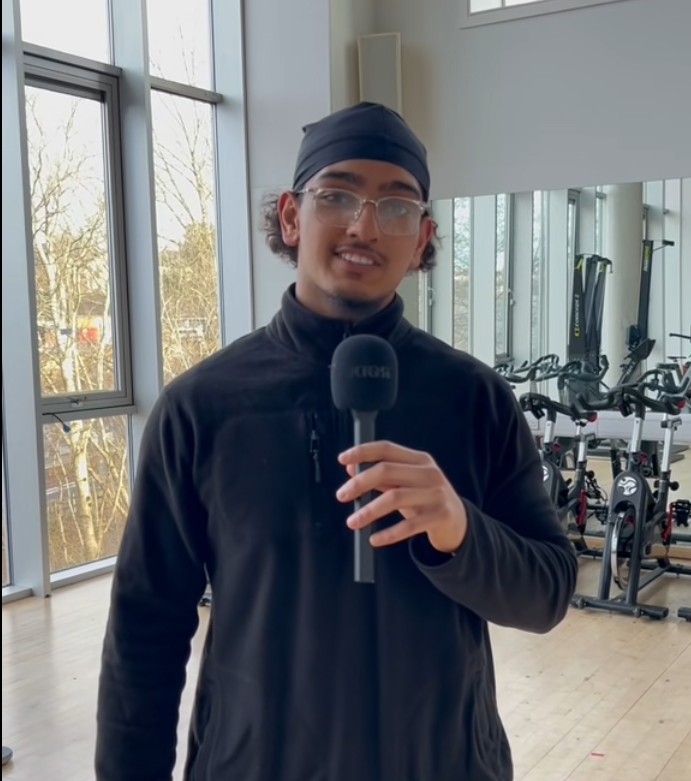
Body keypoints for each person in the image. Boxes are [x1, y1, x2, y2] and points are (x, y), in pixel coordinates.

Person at [95, 101, 578, 781]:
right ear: (292, 216)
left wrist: (459, 528)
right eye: (338, 195)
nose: (364, 225)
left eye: (396, 206)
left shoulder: (473, 399)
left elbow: (547, 593)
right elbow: (145, 628)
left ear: (422, 238)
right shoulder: (201, 407)